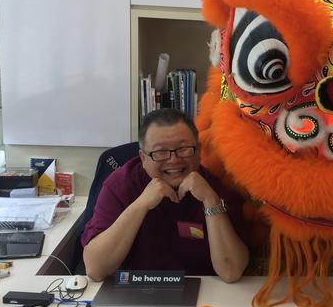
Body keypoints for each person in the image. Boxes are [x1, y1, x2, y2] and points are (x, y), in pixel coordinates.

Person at [82, 109, 249, 283]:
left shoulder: (216, 186)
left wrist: (210, 200)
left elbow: (231, 272)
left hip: (203, 295)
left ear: (198, 151)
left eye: (184, 149)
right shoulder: (121, 185)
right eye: (160, 152)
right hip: (135, 292)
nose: (174, 160)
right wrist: (141, 205)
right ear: (143, 158)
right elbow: (95, 269)